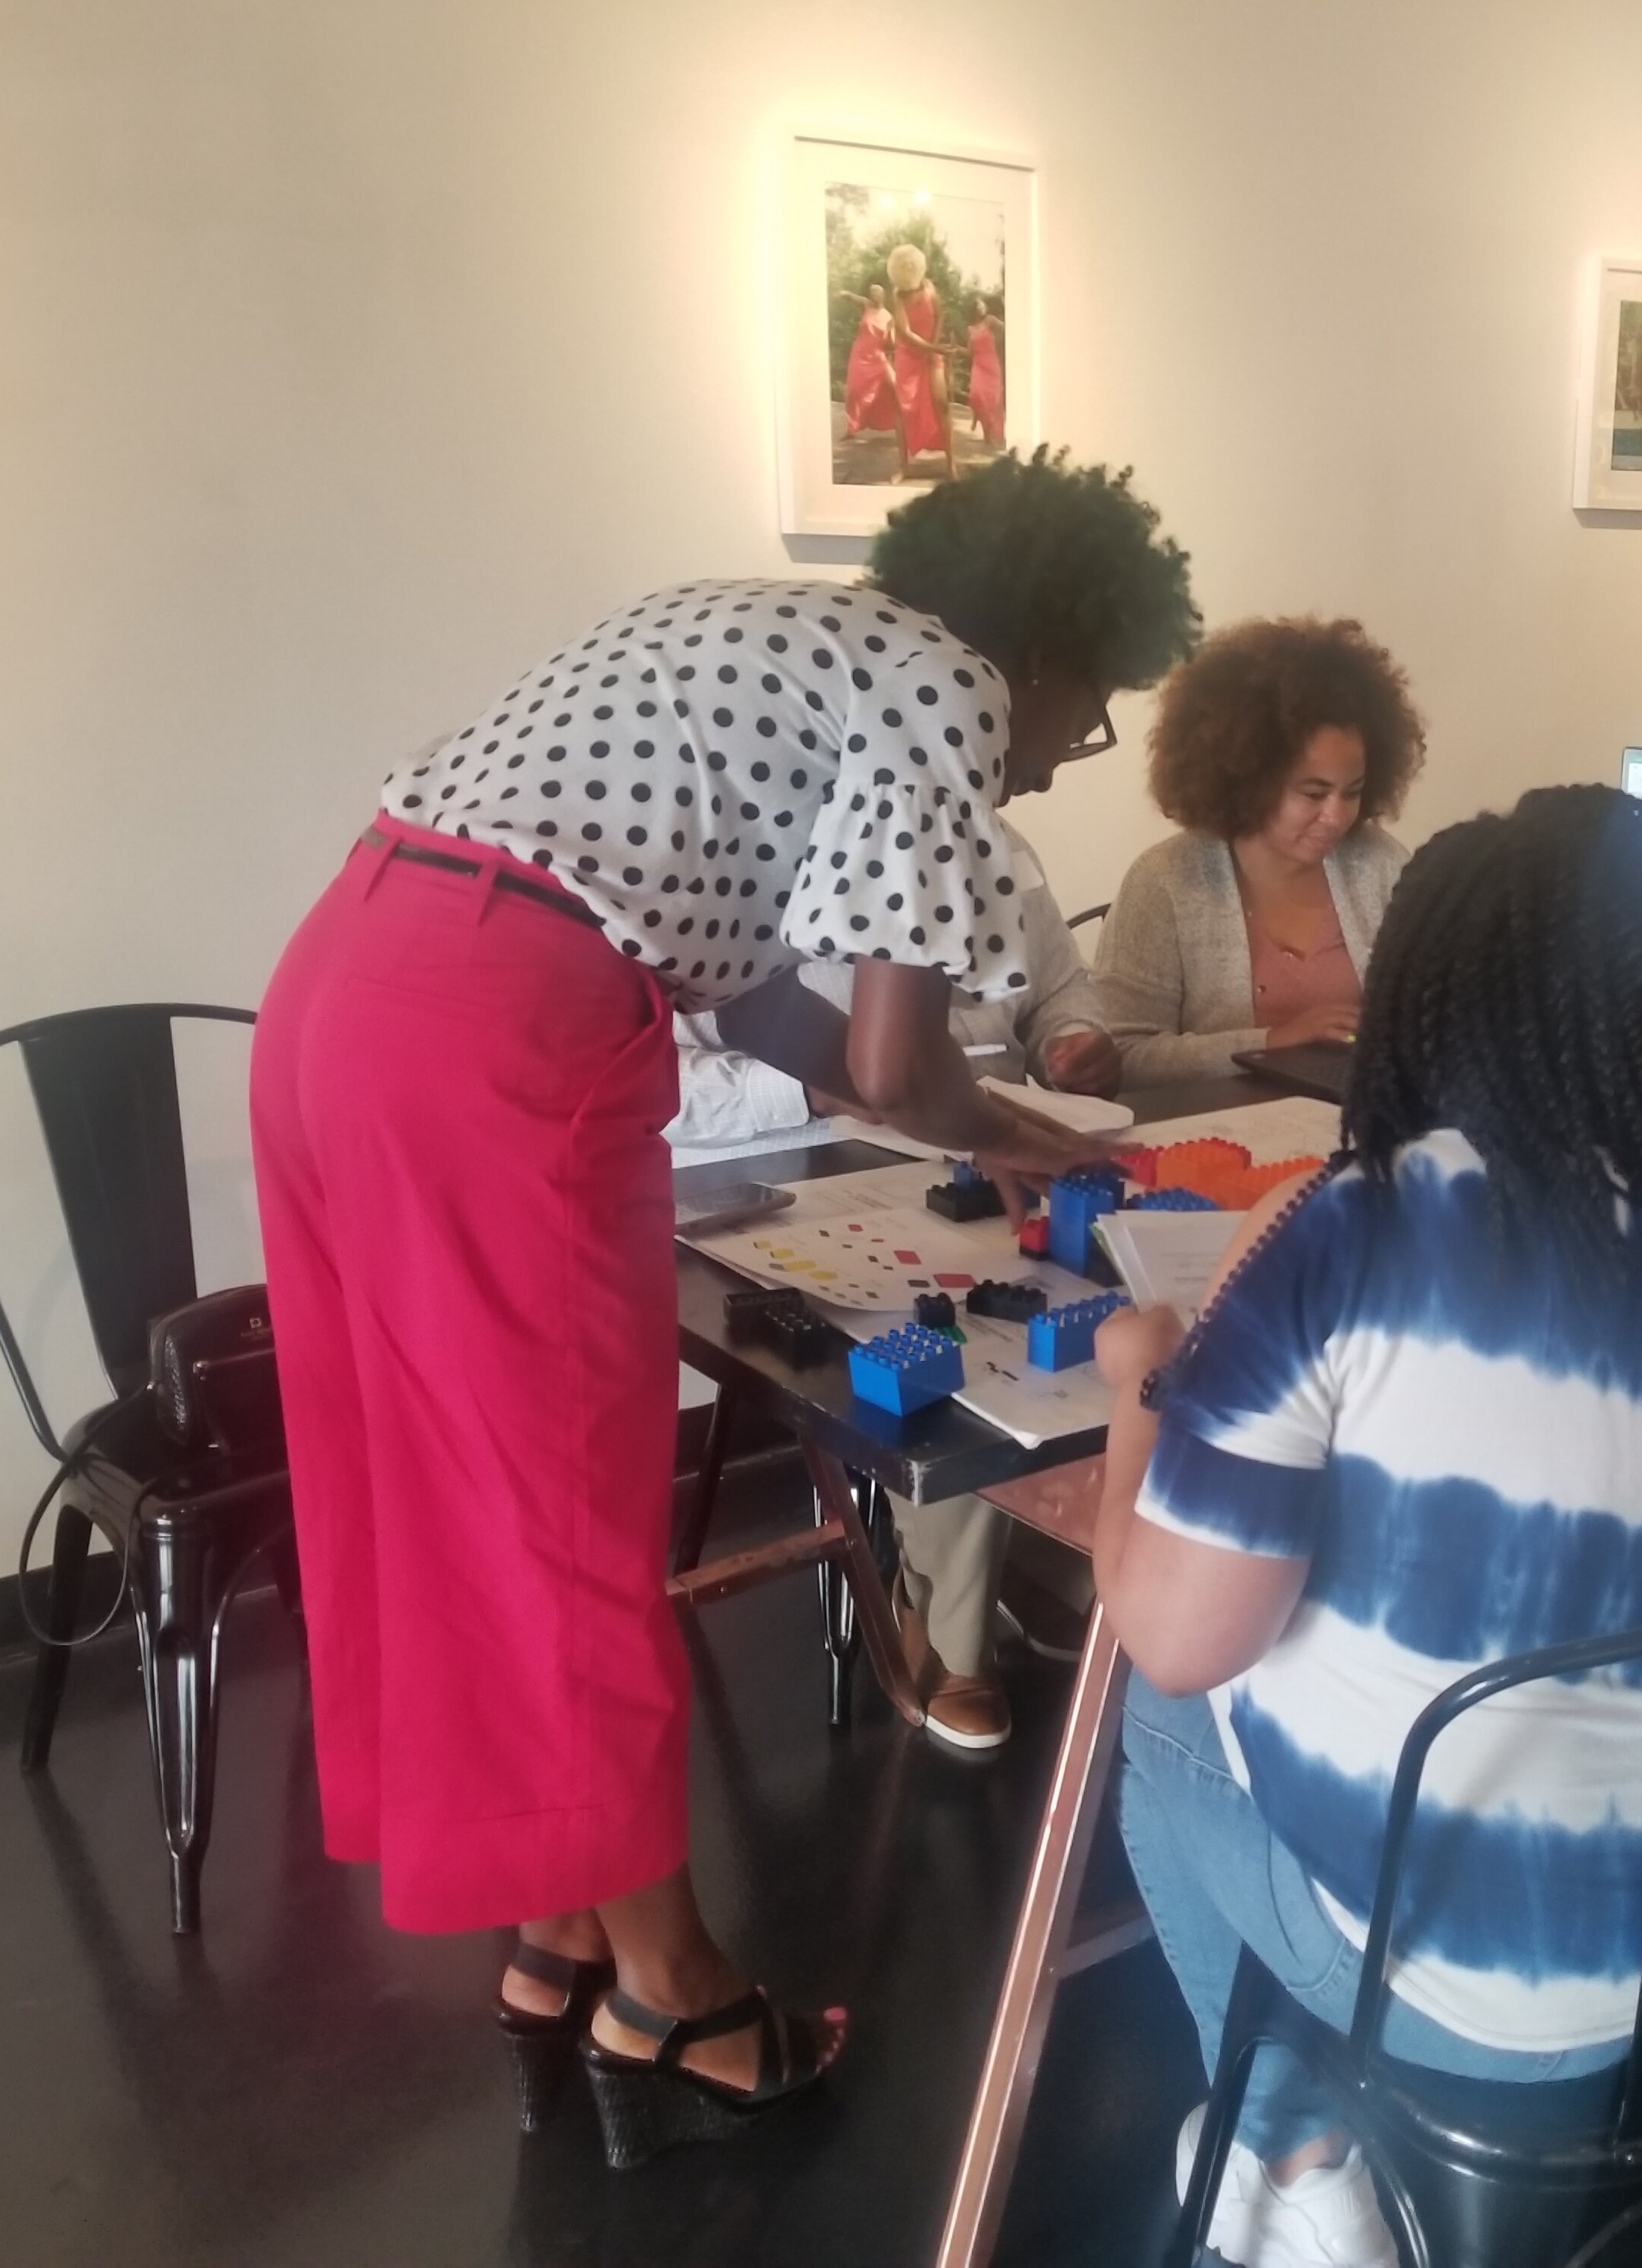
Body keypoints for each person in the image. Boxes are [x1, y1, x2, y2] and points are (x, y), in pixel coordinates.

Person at [250, 449, 1197, 2162]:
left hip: (348, 986)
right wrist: (1032, 1142)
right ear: (1044, 650)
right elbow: (907, 1063)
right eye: (1097, 704)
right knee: (560, 1532)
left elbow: (768, 1004)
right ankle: (671, 1986)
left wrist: (1008, 1125)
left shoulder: (758, 629)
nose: (1069, 748)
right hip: (494, 1041)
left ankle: (555, 1928)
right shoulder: (947, 682)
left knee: (458, 1507)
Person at [1085, 787, 1642, 2268]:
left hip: (1466, 1999)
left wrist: (1141, 1396)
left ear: (1423, 997)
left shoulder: (1350, 1225)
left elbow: (1176, 1642)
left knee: (1154, 1731)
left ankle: (1285, 2144)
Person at [668, 685, 1121, 1749]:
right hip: (775, 1177)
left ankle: (1047, 1558)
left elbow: (1061, 991)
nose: (1057, 764)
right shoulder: (750, 863)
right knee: (946, 1332)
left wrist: (1066, 1047)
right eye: (1072, 717)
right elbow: (673, 1084)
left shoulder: (997, 843)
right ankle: (949, 1628)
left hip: (969, 1144)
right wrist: (824, 1092)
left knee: (1084, 1286)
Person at [1095, 617, 1423, 1085]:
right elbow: (1124, 1057)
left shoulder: (1381, 865)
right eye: (1313, 794)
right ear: (1248, 778)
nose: (1337, 816)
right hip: (1213, 1144)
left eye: (1352, 792)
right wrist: (1270, 1042)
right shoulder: (1164, 881)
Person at [888, 242, 955, 477]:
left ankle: (951, 465)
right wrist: (933, 348)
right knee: (902, 409)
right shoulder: (898, 295)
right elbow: (905, 332)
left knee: (943, 405)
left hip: (931, 353)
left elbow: (940, 314)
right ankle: (904, 467)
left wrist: (933, 348)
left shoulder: (929, 287)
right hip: (908, 355)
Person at [844, 279, 900, 443]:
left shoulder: (889, 317)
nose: (873, 294)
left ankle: (903, 424)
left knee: (896, 386)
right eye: (871, 292)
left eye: (876, 291)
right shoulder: (866, 305)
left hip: (877, 356)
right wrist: (841, 294)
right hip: (860, 354)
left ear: (882, 295)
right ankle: (851, 429)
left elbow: (892, 342)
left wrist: (893, 336)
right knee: (854, 391)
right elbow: (850, 297)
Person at [964, 296, 1005, 450]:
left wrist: (1006, 307)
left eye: (983, 305)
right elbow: (969, 352)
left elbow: (1008, 328)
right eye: (980, 305)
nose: (983, 307)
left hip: (992, 364)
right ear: (974, 309)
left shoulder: (990, 321)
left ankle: (988, 435)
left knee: (993, 401)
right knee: (976, 394)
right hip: (978, 365)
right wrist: (954, 348)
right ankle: (977, 416)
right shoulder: (970, 329)